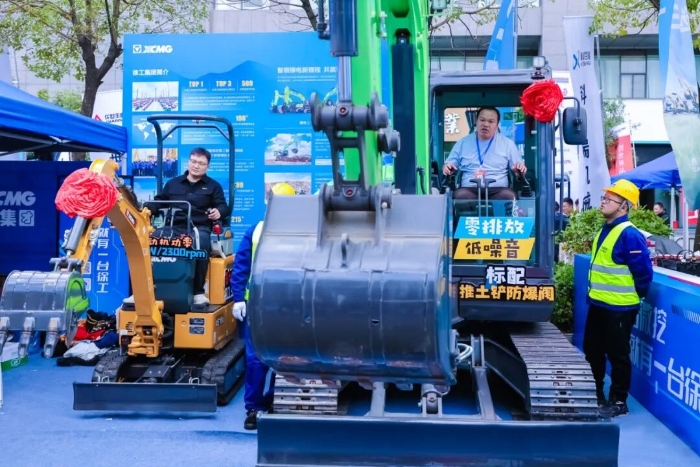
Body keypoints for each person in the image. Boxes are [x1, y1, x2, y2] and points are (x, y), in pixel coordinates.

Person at [230, 182, 297, 430]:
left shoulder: (302, 232)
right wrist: (238, 298)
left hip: (288, 304)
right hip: (258, 304)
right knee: (255, 359)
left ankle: (274, 400)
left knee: (284, 357)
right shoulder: (256, 231)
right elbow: (241, 266)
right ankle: (254, 407)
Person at [583, 179, 653, 417]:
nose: (603, 202)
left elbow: (643, 274)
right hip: (598, 304)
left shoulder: (630, 235)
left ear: (624, 206)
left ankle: (619, 401)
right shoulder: (606, 229)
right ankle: (596, 393)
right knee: (593, 350)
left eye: (609, 199)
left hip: (620, 308)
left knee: (618, 355)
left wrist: (635, 297)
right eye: (604, 198)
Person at [127, 147, 229, 306]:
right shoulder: (173, 183)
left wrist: (218, 212)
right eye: (194, 161)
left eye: (201, 163)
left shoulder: (213, 186)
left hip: (198, 228)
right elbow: (159, 201)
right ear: (188, 162)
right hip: (172, 227)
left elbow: (223, 207)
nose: (196, 166)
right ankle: (140, 292)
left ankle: (198, 292)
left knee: (201, 244)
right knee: (148, 242)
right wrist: (148, 209)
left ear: (207, 166)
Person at [442, 106, 527, 200]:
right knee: (461, 196)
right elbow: (449, 165)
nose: (486, 124)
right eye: (482, 120)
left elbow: (519, 170)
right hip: (469, 188)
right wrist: (447, 167)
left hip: (498, 189)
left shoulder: (508, 144)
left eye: (491, 121)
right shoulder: (462, 143)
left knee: (508, 196)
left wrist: (519, 171)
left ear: (497, 124)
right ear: (476, 121)